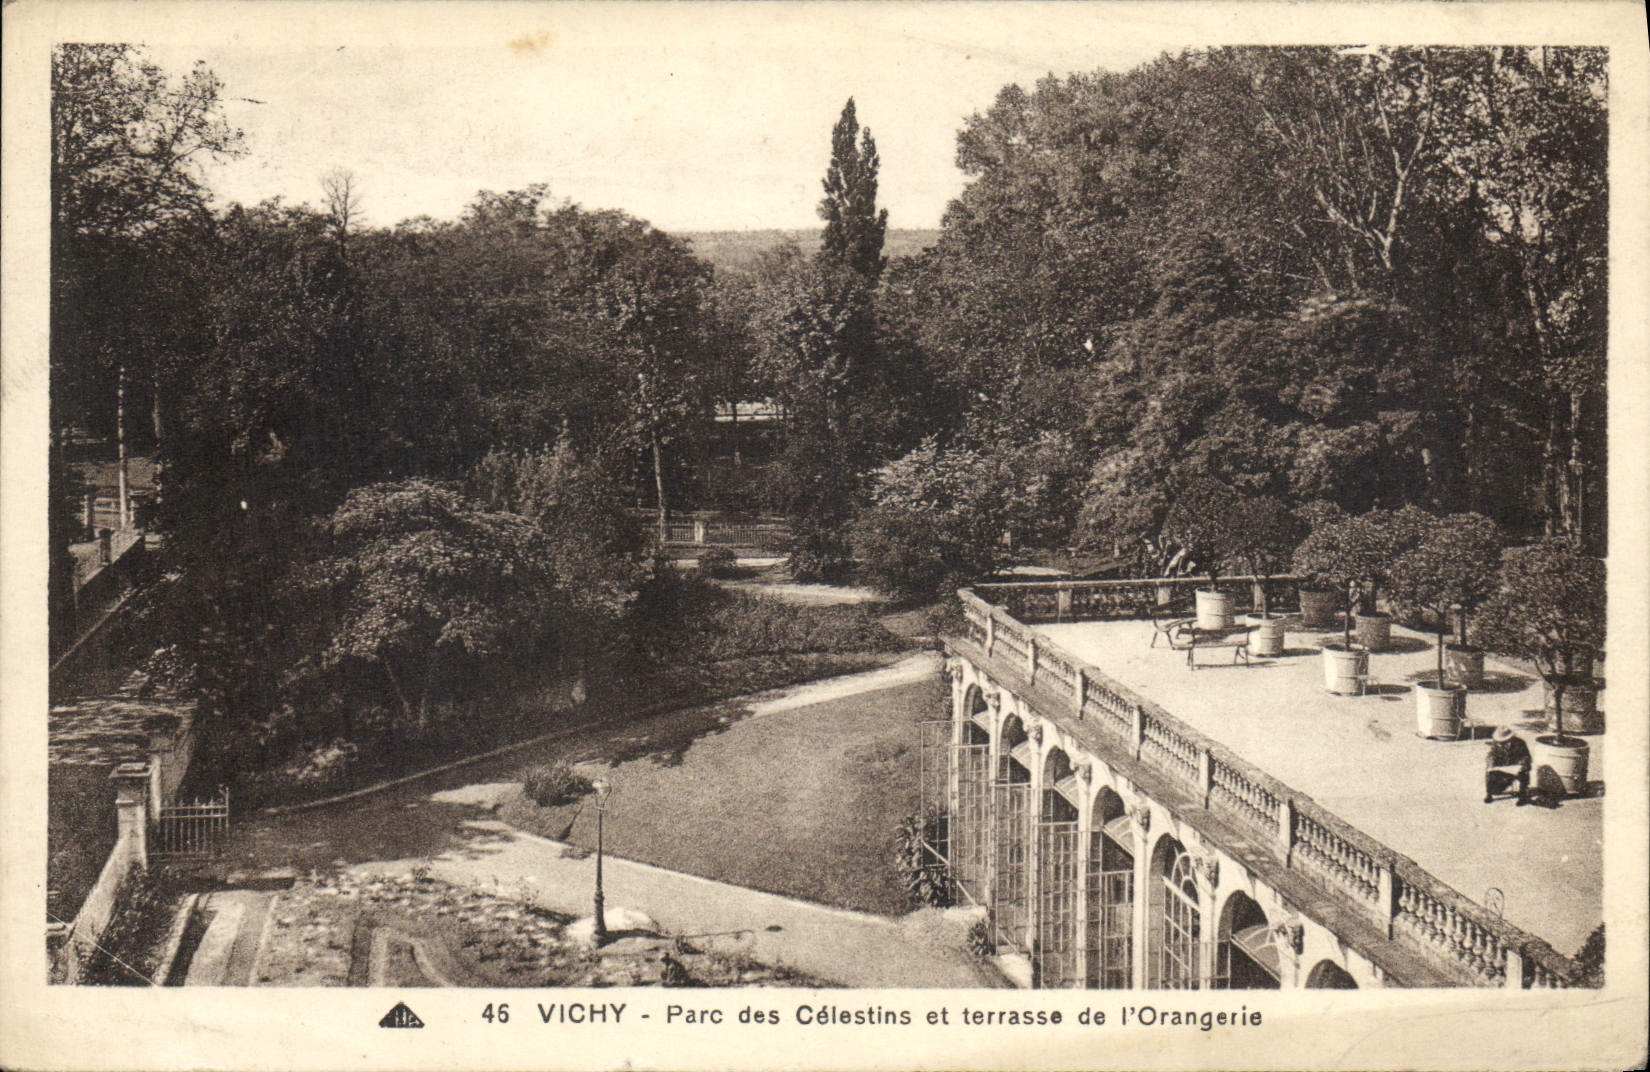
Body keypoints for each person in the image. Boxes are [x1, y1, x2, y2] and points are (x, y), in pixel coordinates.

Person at [1485, 725, 1532, 805]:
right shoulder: (1496, 743)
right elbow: (1491, 755)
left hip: (1515, 766)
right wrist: (1490, 763)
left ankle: (1522, 795)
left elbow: (1526, 756)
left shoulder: (1520, 743)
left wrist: (1521, 764)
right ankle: (1489, 793)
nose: (1502, 743)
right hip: (1501, 766)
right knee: (1489, 772)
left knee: (1524, 772)